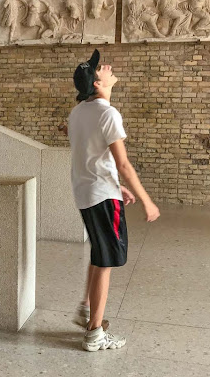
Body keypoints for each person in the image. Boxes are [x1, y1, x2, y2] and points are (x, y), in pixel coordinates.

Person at [68, 49, 160, 352]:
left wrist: (116, 188)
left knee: (99, 253)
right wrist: (147, 201)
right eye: (100, 68)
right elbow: (123, 164)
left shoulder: (78, 112)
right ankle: (95, 331)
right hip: (101, 195)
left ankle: (87, 308)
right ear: (97, 83)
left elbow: (91, 158)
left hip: (88, 193)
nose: (106, 67)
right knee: (106, 261)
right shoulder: (107, 113)